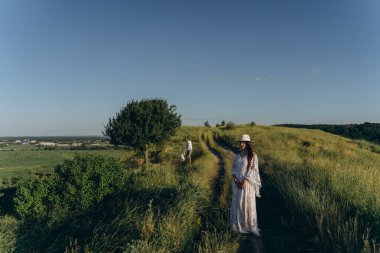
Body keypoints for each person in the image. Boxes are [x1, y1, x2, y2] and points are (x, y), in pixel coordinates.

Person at [230, 134, 262, 236]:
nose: (241, 144)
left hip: (246, 184)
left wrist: (245, 180)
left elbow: (253, 169)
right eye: (240, 142)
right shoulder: (238, 155)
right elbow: (234, 168)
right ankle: (239, 224)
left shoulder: (252, 155)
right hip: (237, 183)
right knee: (238, 203)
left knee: (246, 203)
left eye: (243, 142)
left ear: (248, 144)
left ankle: (248, 225)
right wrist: (235, 179)